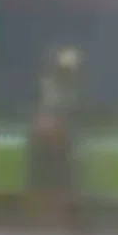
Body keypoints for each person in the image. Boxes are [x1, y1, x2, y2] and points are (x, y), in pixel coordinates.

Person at [28, 46, 82, 225]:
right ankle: (57, 210)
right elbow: (64, 106)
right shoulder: (61, 85)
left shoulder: (51, 82)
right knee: (61, 171)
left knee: (47, 170)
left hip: (47, 128)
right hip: (55, 128)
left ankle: (48, 209)